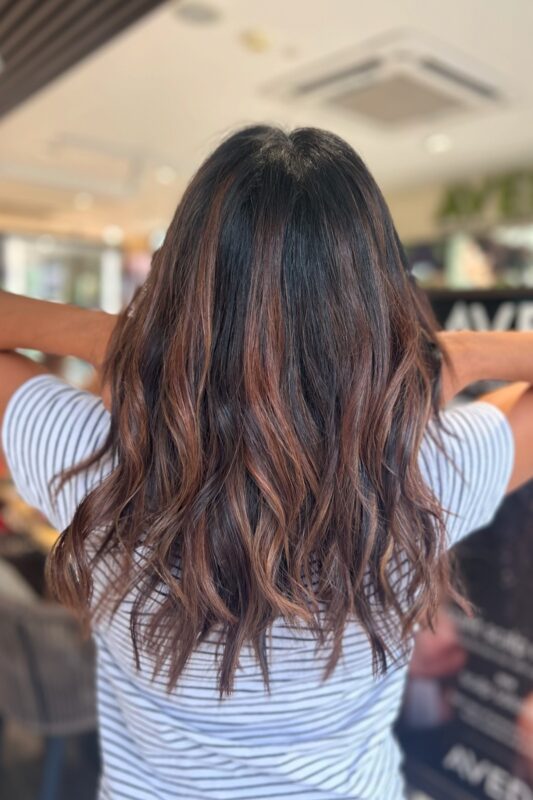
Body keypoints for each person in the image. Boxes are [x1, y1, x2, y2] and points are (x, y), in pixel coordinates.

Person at [0, 126, 532, 800]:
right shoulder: (430, 472)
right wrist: (449, 356)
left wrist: (132, 342)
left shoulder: (94, 460)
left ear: (182, 291)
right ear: (372, 302)